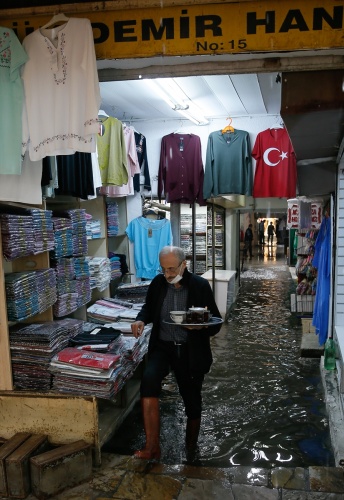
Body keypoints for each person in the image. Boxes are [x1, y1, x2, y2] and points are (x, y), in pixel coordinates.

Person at [131, 245, 221, 460]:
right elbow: (149, 308)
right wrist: (141, 319)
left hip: (190, 351)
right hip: (163, 347)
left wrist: (201, 327)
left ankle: (191, 448)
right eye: (164, 269)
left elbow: (215, 323)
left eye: (172, 269)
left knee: (192, 401)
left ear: (184, 264)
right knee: (148, 383)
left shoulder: (199, 286)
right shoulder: (158, 284)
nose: (168, 274)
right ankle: (152, 446)